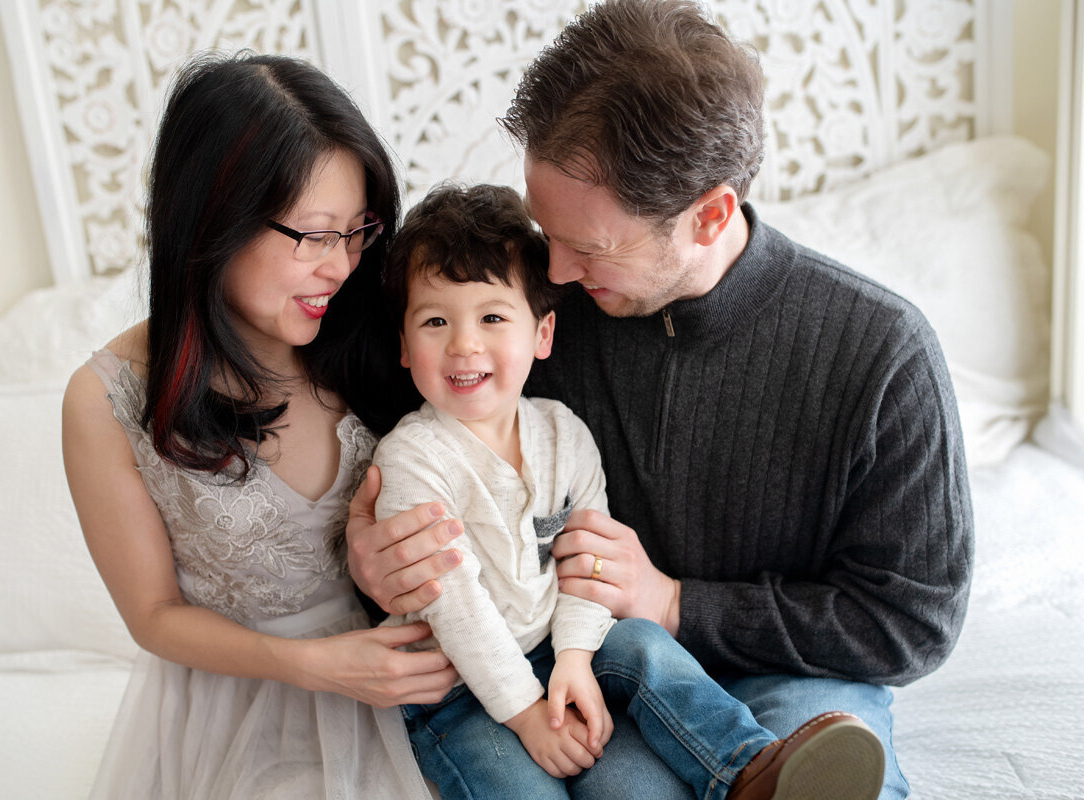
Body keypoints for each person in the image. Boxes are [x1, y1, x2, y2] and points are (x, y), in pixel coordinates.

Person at [346, 2, 974, 799]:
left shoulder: (882, 353)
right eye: (549, 234)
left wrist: (677, 605)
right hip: (600, 659)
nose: (559, 274)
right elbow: (388, 424)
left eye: (589, 247)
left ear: (709, 214)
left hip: (797, 676)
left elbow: (912, 623)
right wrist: (370, 561)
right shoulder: (527, 315)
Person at [372, 182, 886, 800]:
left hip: (557, 651)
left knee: (641, 642)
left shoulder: (564, 433)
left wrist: (575, 658)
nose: (464, 344)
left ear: (543, 333)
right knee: (521, 786)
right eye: (435, 321)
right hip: (457, 689)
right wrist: (527, 715)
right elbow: (456, 609)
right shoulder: (412, 459)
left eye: (492, 317)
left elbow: (589, 564)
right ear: (404, 346)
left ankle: (749, 771)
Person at [61, 52, 454, 800]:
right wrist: (318, 666)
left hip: (420, 673)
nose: (339, 267)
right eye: (312, 234)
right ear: (215, 220)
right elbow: (153, 615)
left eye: (356, 231)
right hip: (245, 697)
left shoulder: (379, 326)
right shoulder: (105, 400)